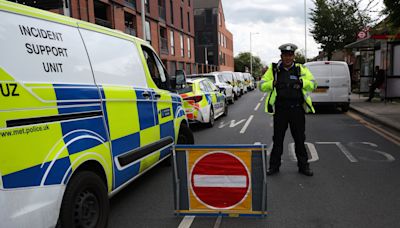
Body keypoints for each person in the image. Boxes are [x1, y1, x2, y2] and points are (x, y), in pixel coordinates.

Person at [259, 43, 317, 176]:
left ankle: (304, 166)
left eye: (290, 55)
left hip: (297, 110)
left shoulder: (300, 69)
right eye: (285, 55)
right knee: (278, 140)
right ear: (281, 56)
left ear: (294, 56)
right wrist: (271, 83)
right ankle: (274, 166)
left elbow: (313, 84)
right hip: (280, 110)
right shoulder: (274, 70)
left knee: (299, 140)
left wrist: (303, 82)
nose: (288, 58)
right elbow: (261, 86)